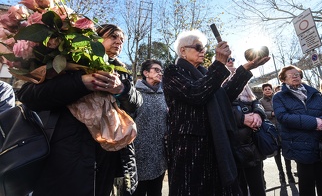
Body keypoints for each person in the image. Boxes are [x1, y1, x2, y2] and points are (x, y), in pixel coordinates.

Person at [17, 24, 143, 195]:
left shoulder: (121, 72)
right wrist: (81, 83)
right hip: (65, 157)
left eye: (122, 39)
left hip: (108, 155)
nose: (119, 41)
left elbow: (136, 105)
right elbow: (29, 96)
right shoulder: (68, 61)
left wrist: (121, 90)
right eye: (113, 36)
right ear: (95, 38)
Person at [162, 30, 270, 195]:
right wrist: (219, 64)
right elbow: (196, 93)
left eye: (204, 47)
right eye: (198, 47)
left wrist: (245, 69)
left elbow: (223, 97)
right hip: (192, 150)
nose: (203, 51)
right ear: (182, 50)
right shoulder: (173, 72)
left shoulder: (205, 73)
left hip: (217, 145)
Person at [273, 65, 322, 196]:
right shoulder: (279, 97)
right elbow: (283, 117)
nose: (295, 76)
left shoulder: (314, 93)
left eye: (297, 74)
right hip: (299, 144)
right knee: (306, 183)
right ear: (283, 80)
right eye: (290, 75)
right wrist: (314, 122)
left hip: (321, 144)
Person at [227, 59, 267, 195]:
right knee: (239, 188)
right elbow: (221, 110)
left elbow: (256, 102)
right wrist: (242, 119)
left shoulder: (247, 89)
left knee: (258, 185)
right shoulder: (220, 88)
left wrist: (258, 114)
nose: (230, 61)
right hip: (234, 146)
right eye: (227, 59)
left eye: (232, 59)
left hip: (253, 144)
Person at [133, 59, 168, 196]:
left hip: (159, 155)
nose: (160, 73)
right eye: (156, 70)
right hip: (139, 154)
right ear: (146, 73)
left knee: (156, 191)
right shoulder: (135, 93)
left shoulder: (164, 94)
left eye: (161, 71)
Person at [259, 83, 295, 185]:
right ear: (263, 91)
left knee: (286, 152)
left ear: (272, 90)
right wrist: (271, 113)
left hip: (283, 129)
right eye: (265, 89)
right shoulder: (260, 102)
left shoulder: (278, 98)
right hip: (271, 131)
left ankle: (289, 173)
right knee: (276, 154)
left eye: (269, 89)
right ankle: (281, 174)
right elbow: (261, 113)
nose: (267, 90)